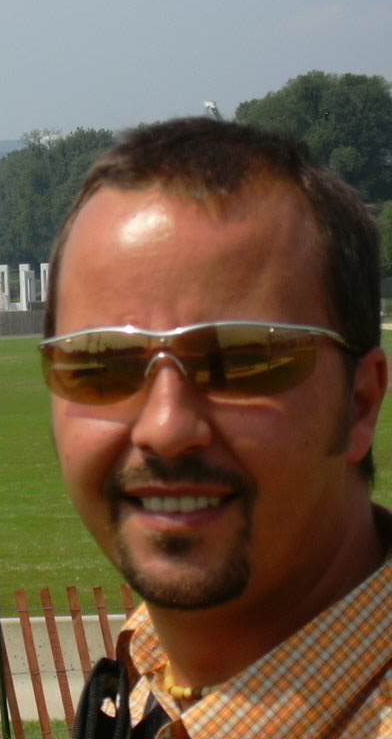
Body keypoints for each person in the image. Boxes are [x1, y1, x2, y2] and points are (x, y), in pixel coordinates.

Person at [40, 117, 391, 737]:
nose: (167, 428)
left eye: (243, 359)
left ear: (360, 403)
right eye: (99, 364)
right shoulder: (141, 678)